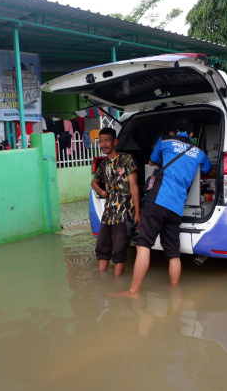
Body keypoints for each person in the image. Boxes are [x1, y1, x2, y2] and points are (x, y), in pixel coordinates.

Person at [114, 118, 216, 297]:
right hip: (176, 208)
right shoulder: (198, 152)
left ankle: (133, 291)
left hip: (156, 202)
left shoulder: (165, 141)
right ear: (191, 135)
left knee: (143, 245)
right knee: (173, 253)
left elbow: (152, 162)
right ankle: (174, 294)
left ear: (171, 132)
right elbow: (211, 171)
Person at [91, 127, 141, 276]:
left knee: (119, 251)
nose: (104, 144)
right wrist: (102, 192)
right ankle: (103, 283)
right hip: (108, 213)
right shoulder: (104, 164)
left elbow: (134, 186)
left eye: (107, 140)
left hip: (124, 212)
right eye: (101, 141)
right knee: (102, 249)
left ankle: (117, 284)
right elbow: (94, 182)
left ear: (115, 142)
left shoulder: (127, 159)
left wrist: (138, 213)